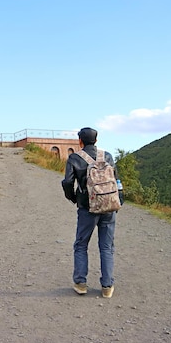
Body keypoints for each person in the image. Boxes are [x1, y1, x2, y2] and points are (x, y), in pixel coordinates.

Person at [61, 127, 120, 298]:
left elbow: (67, 182)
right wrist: (117, 200)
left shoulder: (75, 158)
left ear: (80, 141)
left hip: (88, 208)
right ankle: (107, 287)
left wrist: (74, 199)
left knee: (81, 244)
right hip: (109, 206)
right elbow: (116, 180)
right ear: (96, 140)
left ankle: (80, 283)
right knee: (106, 246)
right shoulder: (107, 156)